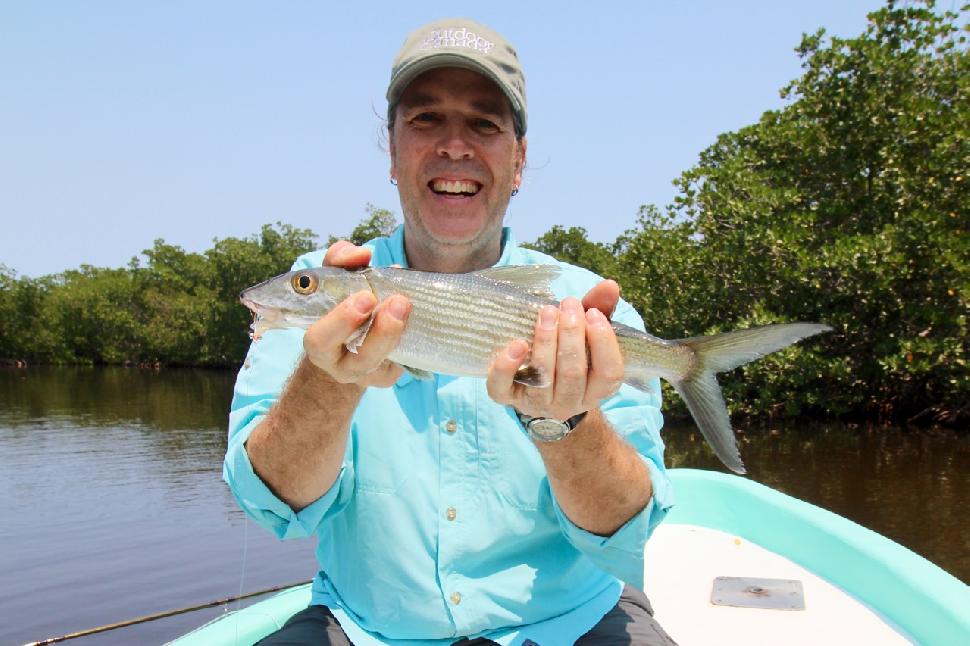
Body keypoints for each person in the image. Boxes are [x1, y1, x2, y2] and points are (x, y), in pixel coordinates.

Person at [225, 18, 677, 646]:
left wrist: (566, 422)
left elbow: (626, 529)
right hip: (367, 628)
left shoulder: (590, 309)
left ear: (518, 161)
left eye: (485, 123)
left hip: (571, 621)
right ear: (390, 150)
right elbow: (272, 504)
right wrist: (326, 386)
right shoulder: (319, 294)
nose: (455, 146)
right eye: (425, 119)